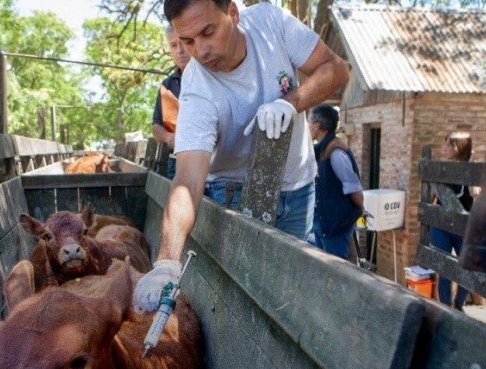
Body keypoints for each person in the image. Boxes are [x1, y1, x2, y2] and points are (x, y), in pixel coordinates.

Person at [133, 0, 350, 312]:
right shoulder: (196, 90)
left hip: (299, 187)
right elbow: (187, 181)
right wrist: (166, 262)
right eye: (188, 42)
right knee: (241, 304)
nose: (201, 51)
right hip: (232, 196)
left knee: (289, 297)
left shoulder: (271, 23)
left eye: (208, 32)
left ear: (232, 13)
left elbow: (336, 68)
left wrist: (290, 103)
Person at [307, 103, 364, 259]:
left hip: (335, 227)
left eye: (309, 122)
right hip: (323, 224)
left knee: (337, 272)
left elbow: (355, 191)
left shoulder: (336, 152)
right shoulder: (322, 149)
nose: (308, 126)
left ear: (317, 126)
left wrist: (351, 216)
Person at [431, 132, 474, 311]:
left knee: (469, 268)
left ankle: (458, 304)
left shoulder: (471, 170)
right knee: (445, 269)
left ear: (459, 147)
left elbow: (475, 193)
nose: (446, 148)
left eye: (450, 145)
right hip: (442, 225)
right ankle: (446, 309)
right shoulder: (443, 168)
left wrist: (471, 168)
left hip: (462, 227)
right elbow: (433, 197)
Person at [152, 24, 192, 180]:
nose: (180, 50)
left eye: (183, 43)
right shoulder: (167, 85)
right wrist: (170, 138)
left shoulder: (210, 76)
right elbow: (156, 127)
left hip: (211, 163)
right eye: (174, 45)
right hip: (175, 162)